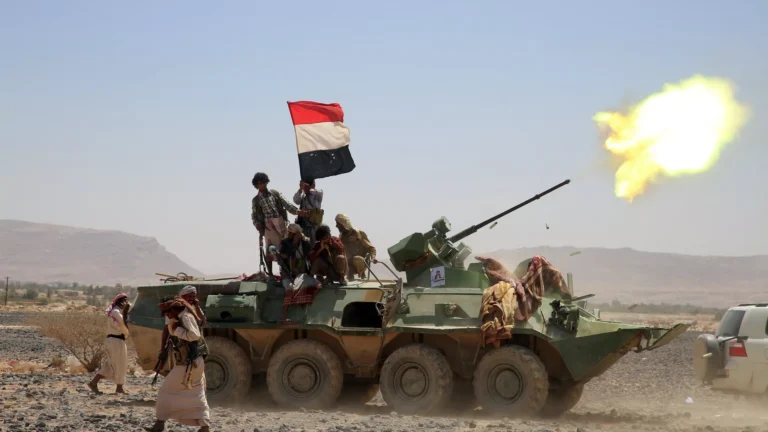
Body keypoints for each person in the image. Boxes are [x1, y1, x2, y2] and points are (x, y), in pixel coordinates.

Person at [144, 296, 210, 432]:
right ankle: (205, 425)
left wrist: (177, 330)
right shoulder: (179, 318)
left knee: (165, 391)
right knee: (197, 392)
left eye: (167, 312)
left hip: (188, 364)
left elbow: (195, 335)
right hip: (194, 362)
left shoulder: (185, 317)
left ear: (174, 309)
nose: (166, 315)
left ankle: (159, 424)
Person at [251, 172, 308, 268]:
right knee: (270, 249)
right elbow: (254, 215)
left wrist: (298, 211)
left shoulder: (275, 193)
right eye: (260, 183)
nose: (262, 185)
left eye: (263, 182)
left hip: (281, 222)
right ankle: (270, 273)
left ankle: (286, 271)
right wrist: (257, 224)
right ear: (256, 185)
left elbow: (287, 204)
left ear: (266, 182)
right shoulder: (256, 200)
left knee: (284, 247)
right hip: (268, 226)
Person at [88, 293, 131, 395]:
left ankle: (96, 383)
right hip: (114, 340)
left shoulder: (119, 311)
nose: (125, 303)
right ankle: (116, 387)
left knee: (117, 363)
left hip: (119, 341)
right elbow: (122, 323)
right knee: (115, 364)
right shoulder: (115, 312)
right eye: (124, 301)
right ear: (120, 302)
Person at [335, 213, 377, 280]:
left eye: (338, 224)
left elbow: (371, 248)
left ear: (343, 223)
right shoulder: (341, 236)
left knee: (357, 258)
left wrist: (373, 258)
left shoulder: (358, 233)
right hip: (348, 265)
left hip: (360, 263)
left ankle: (362, 274)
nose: (336, 226)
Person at [279, 223, 312, 289]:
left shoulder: (305, 242)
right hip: (288, 270)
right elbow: (285, 255)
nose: (289, 234)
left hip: (301, 269)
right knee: (288, 286)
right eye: (288, 232)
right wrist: (294, 243)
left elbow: (308, 255)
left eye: (291, 233)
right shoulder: (285, 242)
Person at [293, 178, 324, 243]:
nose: (304, 188)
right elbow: (296, 200)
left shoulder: (317, 194)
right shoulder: (303, 196)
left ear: (313, 185)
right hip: (303, 225)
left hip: (313, 225)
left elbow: (316, 191)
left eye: (306, 186)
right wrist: (300, 189)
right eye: (304, 187)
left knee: (312, 244)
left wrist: (309, 188)